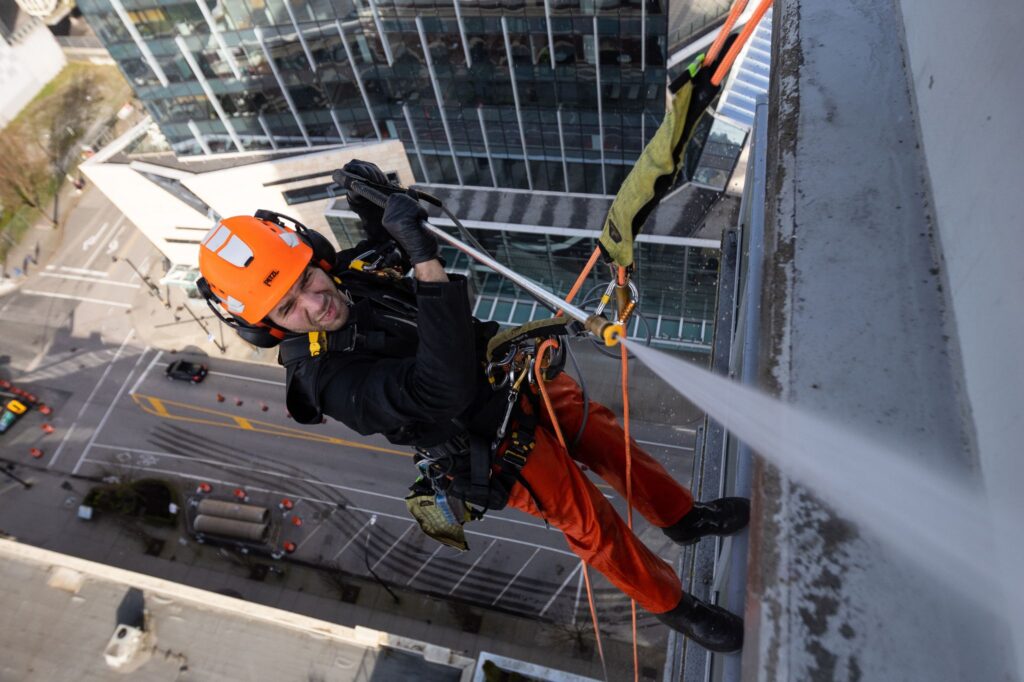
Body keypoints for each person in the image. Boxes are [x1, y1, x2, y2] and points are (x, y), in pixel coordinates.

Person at [196, 160, 749, 653]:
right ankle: (676, 607)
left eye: (308, 277)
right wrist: (424, 259)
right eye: (290, 307)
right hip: (489, 441)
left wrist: (373, 198)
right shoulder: (325, 381)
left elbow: (380, 250)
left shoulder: (343, 280)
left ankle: (684, 518)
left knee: (608, 441)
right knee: (591, 523)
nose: (318, 303)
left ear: (315, 255)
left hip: (511, 378)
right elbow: (440, 391)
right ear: (268, 327)